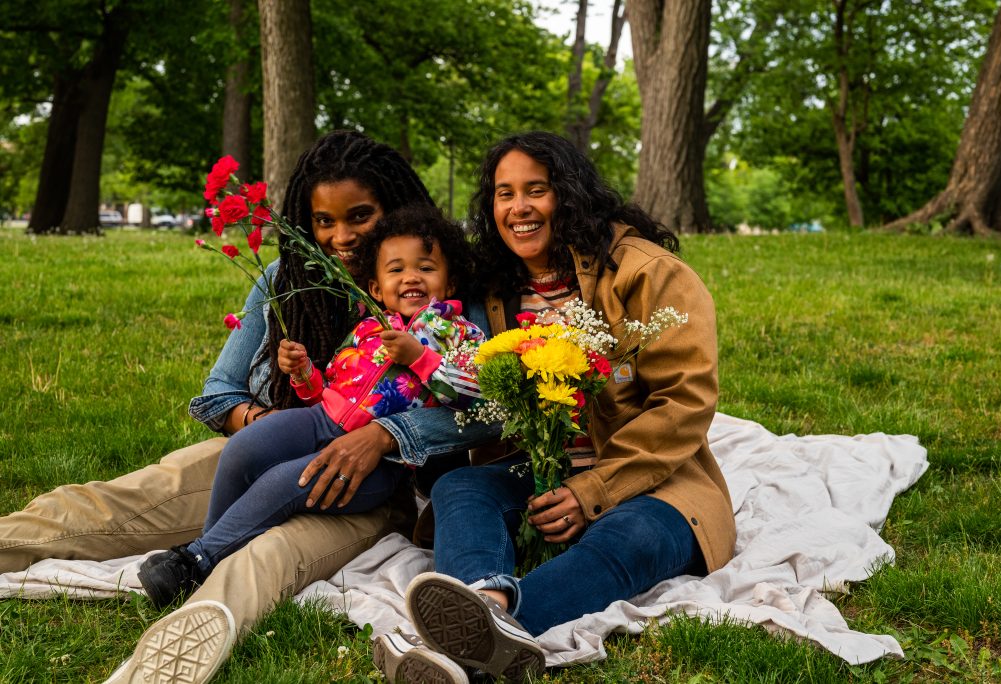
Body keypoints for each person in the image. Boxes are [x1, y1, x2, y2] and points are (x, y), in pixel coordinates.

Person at [0, 131, 498, 684]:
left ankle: (184, 639)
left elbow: (486, 407)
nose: (341, 236)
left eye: (360, 215)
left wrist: (383, 435)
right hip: (281, 442)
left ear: (394, 209)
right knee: (122, 499)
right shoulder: (283, 281)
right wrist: (273, 428)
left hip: (377, 484)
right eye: (324, 221)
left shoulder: (446, 293)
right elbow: (219, 392)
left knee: (271, 553)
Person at [375, 132, 737, 684]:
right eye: (503, 194)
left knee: (629, 538)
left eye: (535, 190)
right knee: (461, 490)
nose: (517, 208)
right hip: (543, 469)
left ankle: (482, 635)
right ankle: (482, 603)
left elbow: (684, 404)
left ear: (568, 194)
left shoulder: (645, 272)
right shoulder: (496, 284)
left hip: (650, 479)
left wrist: (594, 491)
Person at [138, 205, 486, 607]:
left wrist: (420, 358)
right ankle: (208, 556)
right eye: (396, 270)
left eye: (426, 268)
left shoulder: (461, 334)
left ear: (450, 279)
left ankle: (197, 560)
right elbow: (326, 389)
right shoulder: (369, 324)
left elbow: (466, 394)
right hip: (321, 419)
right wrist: (303, 372)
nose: (411, 277)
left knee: (288, 480)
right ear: (376, 288)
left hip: (382, 464)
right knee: (243, 448)